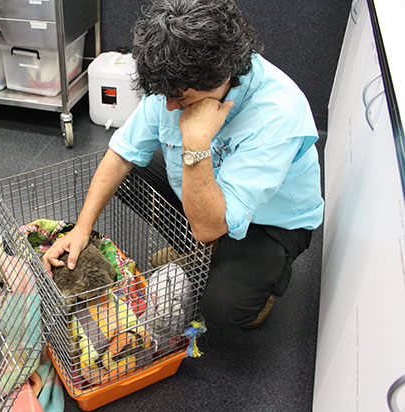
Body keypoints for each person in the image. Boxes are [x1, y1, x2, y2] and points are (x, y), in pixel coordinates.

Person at [42, 0, 323, 328]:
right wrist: (81, 229)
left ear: (220, 78)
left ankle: (252, 279)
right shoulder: (174, 83)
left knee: (225, 307)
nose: (171, 106)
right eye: (165, 96)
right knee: (131, 173)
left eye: (181, 99)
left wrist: (196, 144)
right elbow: (121, 153)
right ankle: (205, 256)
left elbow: (210, 226)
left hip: (271, 222)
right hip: (209, 198)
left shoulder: (277, 114)